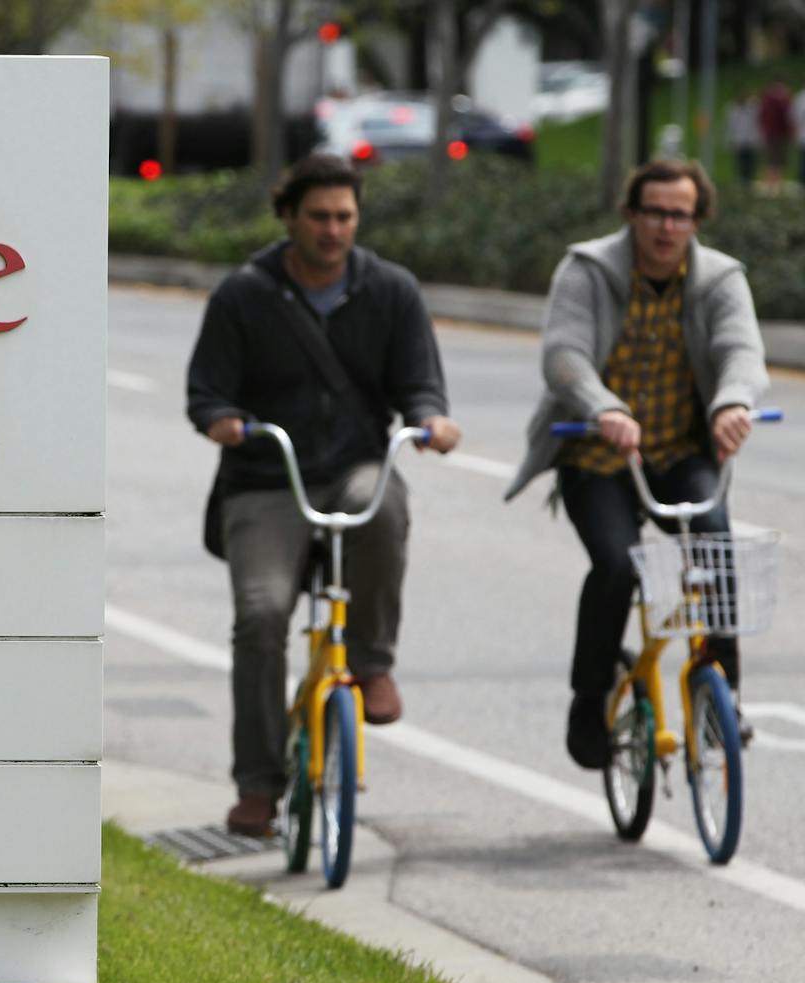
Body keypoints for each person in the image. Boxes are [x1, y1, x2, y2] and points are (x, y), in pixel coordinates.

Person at [185, 153, 461, 836]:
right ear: (288, 217)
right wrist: (220, 418)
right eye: (318, 217)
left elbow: (420, 383)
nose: (332, 230)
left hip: (352, 468)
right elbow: (205, 390)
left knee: (386, 503)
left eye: (344, 217)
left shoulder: (392, 290)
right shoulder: (244, 295)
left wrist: (430, 419)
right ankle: (257, 783)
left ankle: (371, 664)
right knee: (260, 616)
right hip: (263, 481)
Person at [505, 158, 768, 770]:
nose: (666, 227)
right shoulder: (588, 269)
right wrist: (602, 408)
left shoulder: (720, 277)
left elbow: (742, 351)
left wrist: (732, 402)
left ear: (696, 220)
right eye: (654, 212)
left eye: (680, 215)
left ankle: (723, 693)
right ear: (631, 213)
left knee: (714, 545)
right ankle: (588, 697)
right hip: (597, 456)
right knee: (616, 567)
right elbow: (564, 353)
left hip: (678, 451)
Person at [756, 77, 793, 193]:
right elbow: (788, 115)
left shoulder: (767, 97)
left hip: (771, 132)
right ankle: (774, 184)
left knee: (772, 160)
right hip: (778, 132)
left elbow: (761, 115)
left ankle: (771, 183)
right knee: (776, 160)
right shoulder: (782, 98)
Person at [725, 88, 761, 188]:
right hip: (739, 141)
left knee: (751, 165)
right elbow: (730, 126)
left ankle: (749, 183)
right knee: (740, 165)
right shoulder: (733, 110)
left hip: (751, 141)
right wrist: (730, 140)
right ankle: (741, 183)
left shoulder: (753, 108)